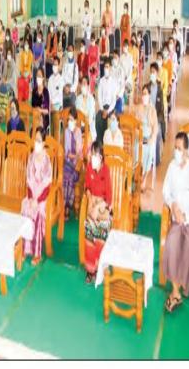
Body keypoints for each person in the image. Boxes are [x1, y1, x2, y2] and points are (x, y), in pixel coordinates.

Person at [161, 133, 189, 313]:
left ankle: (178, 290)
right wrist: (173, 206)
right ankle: (175, 292)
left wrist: (186, 215)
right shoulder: (171, 167)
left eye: (179, 148)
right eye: (175, 148)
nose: (176, 151)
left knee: (188, 245)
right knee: (172, 242)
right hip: (176, 218)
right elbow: (166, 192)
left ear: (186, 150)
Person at [21, 128, 53, 265]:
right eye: (35, 140)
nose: (36, 143)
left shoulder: (46, 160)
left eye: (39, 140)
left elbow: (47, 186)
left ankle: (37, 253)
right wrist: (30, 198)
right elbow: (29, 180)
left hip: (42, 198)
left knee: (38, 213)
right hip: (32, 195)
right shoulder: (31, 157)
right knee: (25, 208)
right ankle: (24, 249)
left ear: (44, 143)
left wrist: (37, 200)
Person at [82, 141, 113, 283]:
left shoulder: (106, 170)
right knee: (89, 232)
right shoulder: (89, 167)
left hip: (102, 207)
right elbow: (87, 187)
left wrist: (97, 207)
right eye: (91, 154)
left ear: (100, 157)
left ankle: (100, 267)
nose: (92, 158)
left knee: (101, 233)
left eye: (94, 155)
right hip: (92, 202)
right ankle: (90, 270)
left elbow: (109, 198)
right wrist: (90, 199)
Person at [134, 84, 159, 191]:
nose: (143, 96)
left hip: (148, 139)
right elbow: (135, 125)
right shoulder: (138, 109)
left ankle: (144, 180)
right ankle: (137, 177)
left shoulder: (152, 110)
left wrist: (151, 139)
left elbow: (155, 128)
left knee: (149, 154)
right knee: (136, 152)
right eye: (142, 94)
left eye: (145, 94)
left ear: (149, 95)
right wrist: (138, 135)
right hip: (139, 138)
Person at [63, 107, 83, 219]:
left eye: (71, 120)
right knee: (64, 177)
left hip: (76, 165)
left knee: (70, 178)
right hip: (67, 163)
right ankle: (64, 206)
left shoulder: (78, 132)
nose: (69, 122)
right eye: (68, 119)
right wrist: (72, 155)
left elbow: (79, 152)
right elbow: (66, 152)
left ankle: (67, 207)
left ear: (75, 121)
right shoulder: (66, 131)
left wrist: (73, 155)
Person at [96, 58, 117, 141]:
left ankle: (107, 143)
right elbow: (99, 96)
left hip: (110, 108)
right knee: (98, 118)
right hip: (102, 107)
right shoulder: (101, 81)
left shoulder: (113, 82)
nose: (106, 69)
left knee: (110, 121)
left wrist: (107, 111)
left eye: (107, 67)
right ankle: (100, 142)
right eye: (105, 67)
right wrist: (102, 109)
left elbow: (114, 100)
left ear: (110, 68)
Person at [75, 75, 96, 143]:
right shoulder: (78, 99)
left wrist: (84, 125)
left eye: (85, 83)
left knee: (87, 141)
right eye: (82, 83)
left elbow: (90, 117)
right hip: (79, 126)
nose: (83, 85)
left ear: (88, 85)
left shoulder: (91, 99)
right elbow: (77, 113)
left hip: (89, 127)